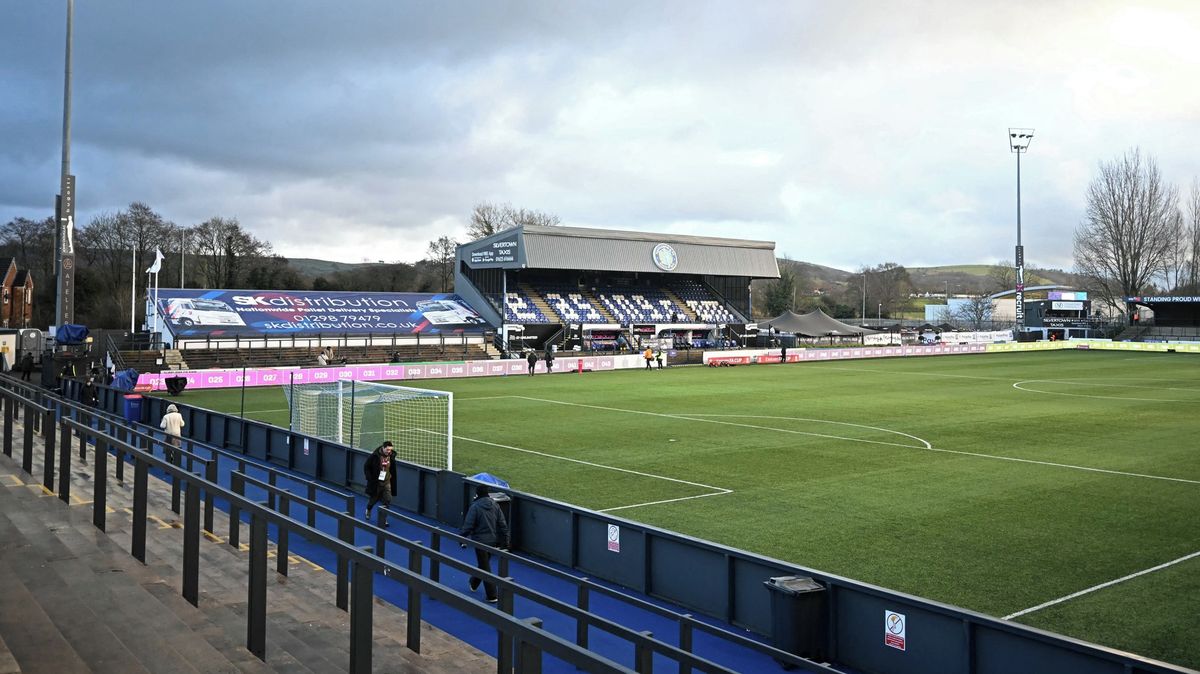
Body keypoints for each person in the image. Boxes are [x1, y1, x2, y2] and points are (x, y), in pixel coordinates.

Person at [460, 484, 509, 603]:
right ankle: (474, 582)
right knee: (484, 564)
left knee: (485, 567)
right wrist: (506, 542)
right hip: (492, 541)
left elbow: (468, 525)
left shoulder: (475, 506)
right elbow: (502, 525)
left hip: (479, 541)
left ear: (477, 494)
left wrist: (462, 539)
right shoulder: (495, 505)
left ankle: (492, 595)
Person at [363, 441, 397, 521]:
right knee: (373, 500)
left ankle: (383, 519)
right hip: (377, 482)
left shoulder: (391, 456)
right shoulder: (375, 456)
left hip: (387, 481)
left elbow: (392, 468)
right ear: (383, 447)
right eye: (387, 450)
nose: (389, 452)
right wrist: (369, 478)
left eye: (390, 450)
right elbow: (366, 466)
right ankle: (368, 509)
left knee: (387, 500)